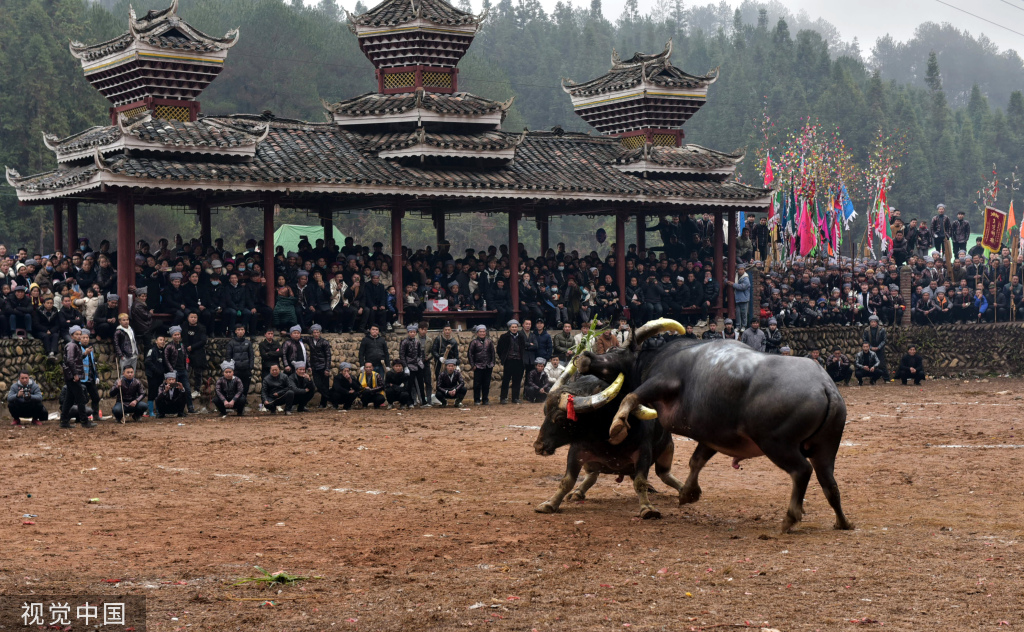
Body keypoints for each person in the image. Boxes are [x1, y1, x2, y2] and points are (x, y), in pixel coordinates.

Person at [164, 326, 194, 414]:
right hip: (174, 372)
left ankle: (190, 407)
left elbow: (186, 356)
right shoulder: (169, 346)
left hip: (183, 370)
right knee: (174, 390)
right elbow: (166, 359)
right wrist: (171, 370)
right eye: (175, 335)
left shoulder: (182, 345)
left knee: (187, 389)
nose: (177, 336)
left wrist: (187, 367)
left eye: (178, 334)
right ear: (172, 336)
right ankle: (173, 408)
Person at [182, 312, 208, 408]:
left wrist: (192, 347)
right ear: (188, 318)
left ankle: (197, 390)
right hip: (186, 352)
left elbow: (203, 340)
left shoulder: (201, 328)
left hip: (197, 352)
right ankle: (184, 390)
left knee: (198, 372)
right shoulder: (184, 326)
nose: (193, 319)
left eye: (195, 317)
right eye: (191, 317)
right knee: (186, 372)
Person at [497, 319, 526, 404]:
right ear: (509, 328)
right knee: (506, 380)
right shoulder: (504, 337)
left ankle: (515, 398)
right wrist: (503, 357)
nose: (514, 328)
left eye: (515, 327)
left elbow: (523, 348)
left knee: (517, 380)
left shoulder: (521, 336)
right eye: (512, 327)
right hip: (509, 361)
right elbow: (499, 349)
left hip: (519, 360)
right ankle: (503, 398)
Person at [225, 324, 254, 401]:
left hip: (246, 369)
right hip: (236, 369)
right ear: (235, 331)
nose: (240, 331)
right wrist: (231, 368)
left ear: (244, 331)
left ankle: (244, 400)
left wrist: (250, 366)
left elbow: (251, 355)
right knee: (235, 386)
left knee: (246, 386)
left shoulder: (248, 342)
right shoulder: (231, 343)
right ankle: (236, 400)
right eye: (239, 330)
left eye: (242, 330)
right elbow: (228, 357)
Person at [467, 324, 495, 405]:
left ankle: (485, 399)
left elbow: (492, 353)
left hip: (488, 366)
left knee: (486, 384)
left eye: (483, 332)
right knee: (477, 384)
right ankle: (477, 399)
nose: (482, 333)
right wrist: (473, 365)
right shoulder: (474, 342)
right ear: (477, 333)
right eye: (480, 332)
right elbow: (470, 354)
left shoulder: (489, 342)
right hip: (478, 366)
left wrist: (492, 363)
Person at [399, 324, 425, 406]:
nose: (412, 334)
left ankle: (423, 400)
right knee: (409, 384)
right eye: (411, 332)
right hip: (409, 365)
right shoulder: (404, 342)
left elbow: (420, 353)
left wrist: (420, 360)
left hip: (418, 365)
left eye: (414, 332)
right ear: (408, 332)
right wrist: (405, 366)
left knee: (421, 384)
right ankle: (409, 401)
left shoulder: (417, 341)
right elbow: (402, 355)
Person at [78, 330, 102, 420]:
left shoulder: (90, 348)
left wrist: (96, 376)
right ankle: (82, 416)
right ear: (80, 338)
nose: (85, 339)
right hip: (82, 378)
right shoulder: (77, 348)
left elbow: (92, 364)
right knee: (82, 399)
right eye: (83, 337)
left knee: (96, 397)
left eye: (87, 337)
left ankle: (96, 415)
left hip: (91, 378)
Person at [307, 324, 332, 408]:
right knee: (318, 385)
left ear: (320, 333)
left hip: (323, 366)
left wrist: (327, 368)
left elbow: (328, 356)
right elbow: (299, 337)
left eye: (318, 332)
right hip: (314, 366)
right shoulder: (310, 340)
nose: (316, 334)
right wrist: (288, 333)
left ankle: (323, 403)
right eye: (314, 332)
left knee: (325, 385)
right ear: (312, 333)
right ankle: (331, 398)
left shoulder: (324, 342)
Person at [144, 334, 167, 417]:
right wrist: (155, 370)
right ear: (156, 341)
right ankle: (150, 411)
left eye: (163, 340)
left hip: (160, 375)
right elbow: (147, 361)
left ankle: (158, 410)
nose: (162, 341)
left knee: (159, 393)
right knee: (152, 392)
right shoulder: (152, 350)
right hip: (152, 375)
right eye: (160, 340)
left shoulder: (164, 351)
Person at [725, 264, 751, 330]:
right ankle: (738, 326)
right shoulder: (735, 276)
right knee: (737, 313)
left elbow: (742, 287)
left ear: (744, 270)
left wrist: (733, 284)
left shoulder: (746, 278)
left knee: (744, 313)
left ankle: (744, 326)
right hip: (737, 298)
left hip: (744, 298)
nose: (740, 271)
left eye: (742, 269)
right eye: (739, 269)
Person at [863, 315, 889, 381]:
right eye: (872, 322)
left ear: (877, 322)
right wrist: (870, 347)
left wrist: (879, 347)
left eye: (874, 322)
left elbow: (884, 340)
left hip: (879, 348)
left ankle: (886, 378)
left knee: (882, 363)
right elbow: (865, 340)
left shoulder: (882, 330)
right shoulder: (866, 330)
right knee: (870, 362)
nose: (873, 323)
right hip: (870, 349)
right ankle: (872, 377)